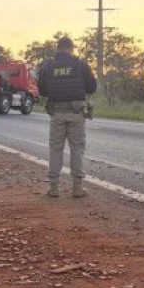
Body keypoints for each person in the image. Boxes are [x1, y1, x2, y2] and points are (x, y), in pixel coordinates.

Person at [37, 36, 97, 198]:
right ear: (71, 48)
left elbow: (42, 91)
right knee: (77, 149)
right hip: (77, 113)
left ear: (57, 48)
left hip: (56, 113)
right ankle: (77, 188)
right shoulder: (81, 64)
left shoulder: (48, 65)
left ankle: (53, 188)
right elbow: (92, 87)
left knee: (55, 149)